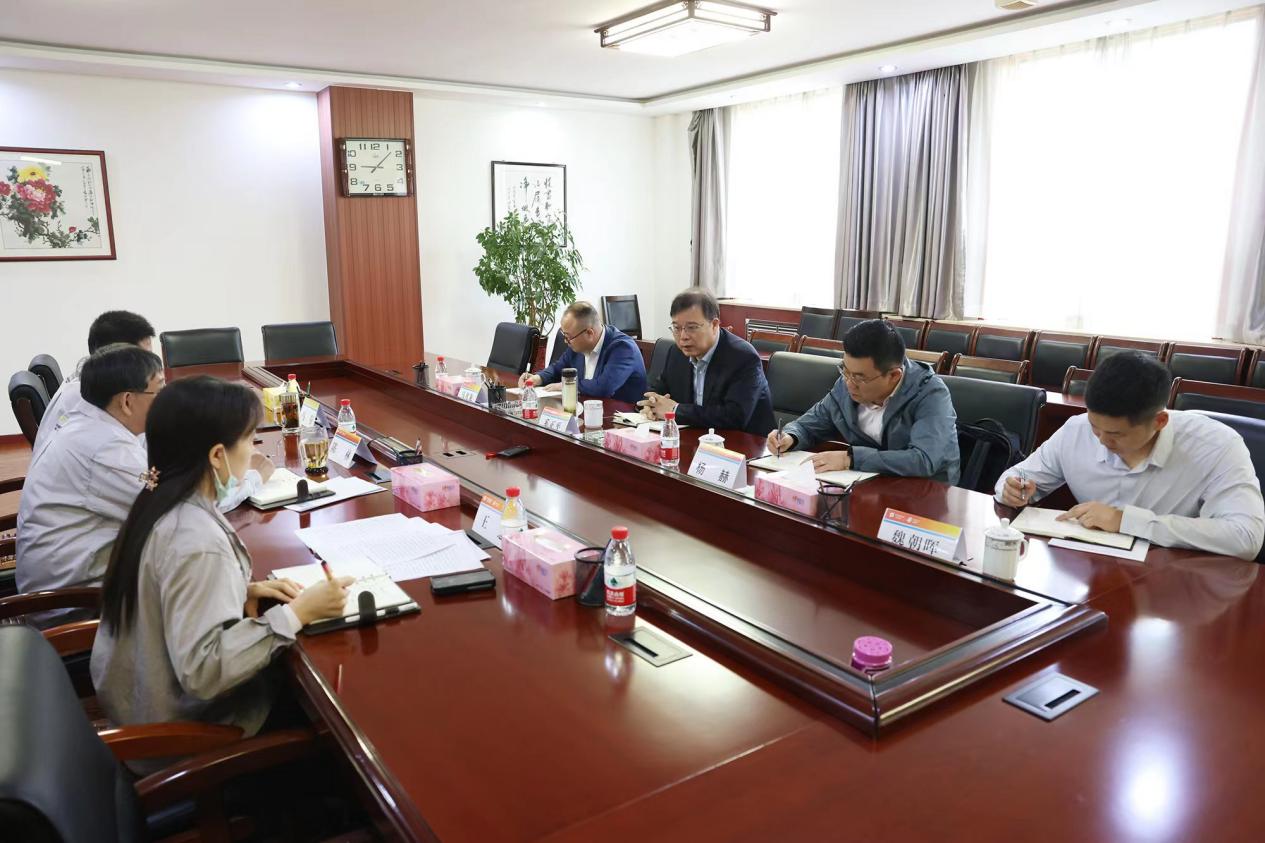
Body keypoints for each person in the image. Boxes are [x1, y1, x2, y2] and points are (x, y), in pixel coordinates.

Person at [91, 376, 353, 738]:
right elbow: (204, 672)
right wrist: (298, 613)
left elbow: (168, 593)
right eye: (248, 440)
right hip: (181, 733)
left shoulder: (159, 500)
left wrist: (240, 590)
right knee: (334, 708)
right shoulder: (197, 540)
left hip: (141, 703)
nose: (253, 451)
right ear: (217, 455)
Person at [996, 351, 1264, 561]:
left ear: (1159, 421)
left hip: (1173, 580)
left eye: (1116, 434)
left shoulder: (1216, 446)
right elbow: (1017, 476)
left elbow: (1246, 537)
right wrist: (1013, 489)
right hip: (1092, 571)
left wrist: (1126, 521)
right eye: (1095, 427)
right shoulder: (1077, 430)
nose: (1102, 440)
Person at [17, 344, 165, 595]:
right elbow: (170, 504)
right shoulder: (104, 447)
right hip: (75, 600)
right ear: (127, 401)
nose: (165, 399)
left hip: (71, 575)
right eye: (159, 391)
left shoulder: (89, 419)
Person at [767, 319, 960, 484]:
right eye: (845, 371)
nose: (849, 383)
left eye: (860, 378)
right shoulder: (846, 383)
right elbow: (810, 425)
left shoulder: (930, 394)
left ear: (894, 375)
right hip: (869, 484)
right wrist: (790, 436)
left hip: (925, 493)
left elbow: (924, 460)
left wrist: (850, 459)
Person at [638, 289, 774, 435]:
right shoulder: (677, 353)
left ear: (714, 325)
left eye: (692, 328)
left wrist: (675, 410)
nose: (683, 336)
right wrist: (651, 405)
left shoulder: (743, 357)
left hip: (745, 443)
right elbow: (657, 390)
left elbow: (735, 416)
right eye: (677, 328)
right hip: (695, 439)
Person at [36, 310, 156, 449]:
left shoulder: (91, 380)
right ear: (114, 359)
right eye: (144, 359)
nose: (150, 366)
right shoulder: (91, 400)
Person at [519, 300, 647, 402]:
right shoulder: (577, 345)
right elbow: (558, 368)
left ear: (589, 333)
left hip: (620, 418)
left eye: (568, 337)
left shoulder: (623, 348)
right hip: (586, 409)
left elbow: (604, 387)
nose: (566, 341)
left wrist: (567, 385)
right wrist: (538, 378)